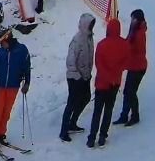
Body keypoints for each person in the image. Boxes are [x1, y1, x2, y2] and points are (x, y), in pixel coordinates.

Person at [88, 18, 131, 148]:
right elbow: (126, 63)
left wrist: (106, 76)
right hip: (114, 83)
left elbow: (98, 65)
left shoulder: (101, 45)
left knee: (97, 111)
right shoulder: (125, 45)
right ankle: (102, 136)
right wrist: (114, 75)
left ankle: (91, 138)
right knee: (108, 110)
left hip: (102, 83)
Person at [0, 31, 30, 145]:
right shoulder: (0, 52)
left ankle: (0, 133)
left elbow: (27, 67)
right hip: (1, 86)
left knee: (6, 112)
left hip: (13, 86)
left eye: (2, 42)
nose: (0, 44)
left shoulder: (22, 50)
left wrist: (27, 83)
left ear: (8, 39)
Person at [60, 12, 96, 142]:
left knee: (86, 98)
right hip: (75, 78)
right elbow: (70, 62)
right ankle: (63, 131)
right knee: (72, 102)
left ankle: (72, 123)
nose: (92, 26)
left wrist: (87, 75)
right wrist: (78, 76)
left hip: (85, 77)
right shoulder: (77, 40)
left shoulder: (89, 38)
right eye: (91, 24)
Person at [117, 9, 148, 126]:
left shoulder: (139, 34)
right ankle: (124, 115)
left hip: (138, 67)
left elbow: (131, 49)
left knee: (131, 92)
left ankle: (135, 116)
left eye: (133, 19)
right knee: (127, 92)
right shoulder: (135, 31)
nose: (132, 21)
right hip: (133, 66)